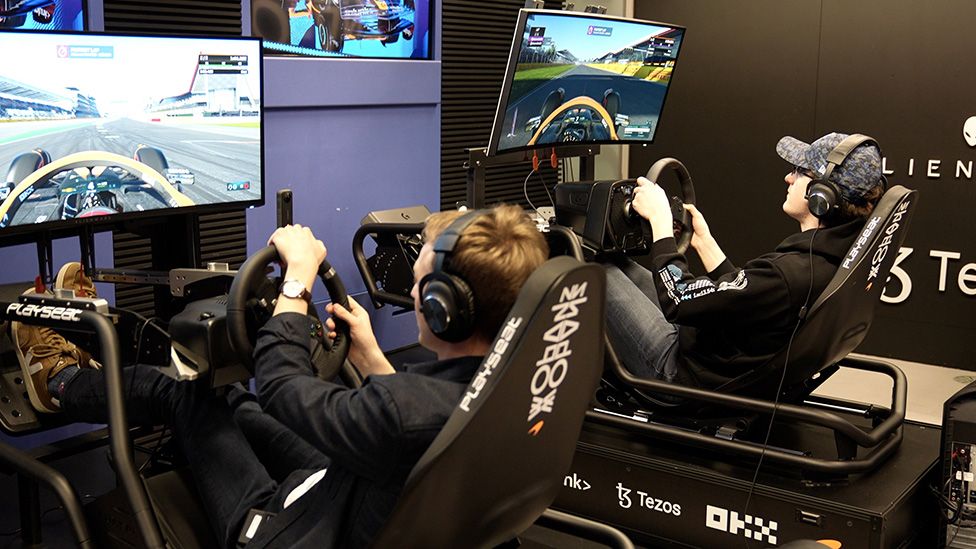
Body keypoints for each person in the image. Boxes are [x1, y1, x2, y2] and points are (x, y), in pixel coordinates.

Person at [12, 204, 548, 548]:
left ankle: (57, 384)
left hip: (284, 535)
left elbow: (285, 387)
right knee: (235, 402)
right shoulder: (519, 385)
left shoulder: (401, 415)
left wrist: (295, 285)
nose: (411, 294)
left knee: (185, 394)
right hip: (365, 494)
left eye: (417, 285)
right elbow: (415, 422)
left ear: (443, 309)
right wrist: (369, 357)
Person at [604, 132, 886, 389]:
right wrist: (705, 243)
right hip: (718, 355)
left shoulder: (788, 274)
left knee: (594, 268)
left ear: (821, 196)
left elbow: (678, 300)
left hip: (681, 373)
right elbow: (747, 299)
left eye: (799, 172)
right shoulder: (832, 259)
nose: (788, 178)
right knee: (621, 265)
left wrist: (660, 225)